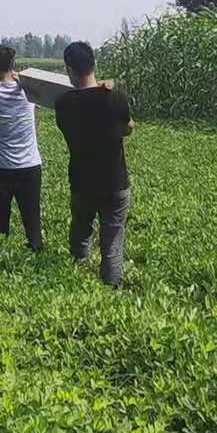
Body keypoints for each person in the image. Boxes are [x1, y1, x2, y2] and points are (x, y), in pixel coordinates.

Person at [53, 41, 134, 289]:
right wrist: (105, 90)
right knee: (112, 239)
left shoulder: (63, 104)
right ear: (94, 63)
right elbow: (128, 128)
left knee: (80, 228)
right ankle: (111, 287)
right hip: (114, 182)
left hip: (81, 181)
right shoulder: (114, 99)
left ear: (68, 69)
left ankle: (76, 273)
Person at [0, 44, 43, 250]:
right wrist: (20, 79)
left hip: (1, 167)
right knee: (32, 215)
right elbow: (40, 100)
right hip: (30, 164)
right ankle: (36, 249)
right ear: (14, 64)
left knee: (1, 216)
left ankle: (0, 255)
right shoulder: (30, 91)